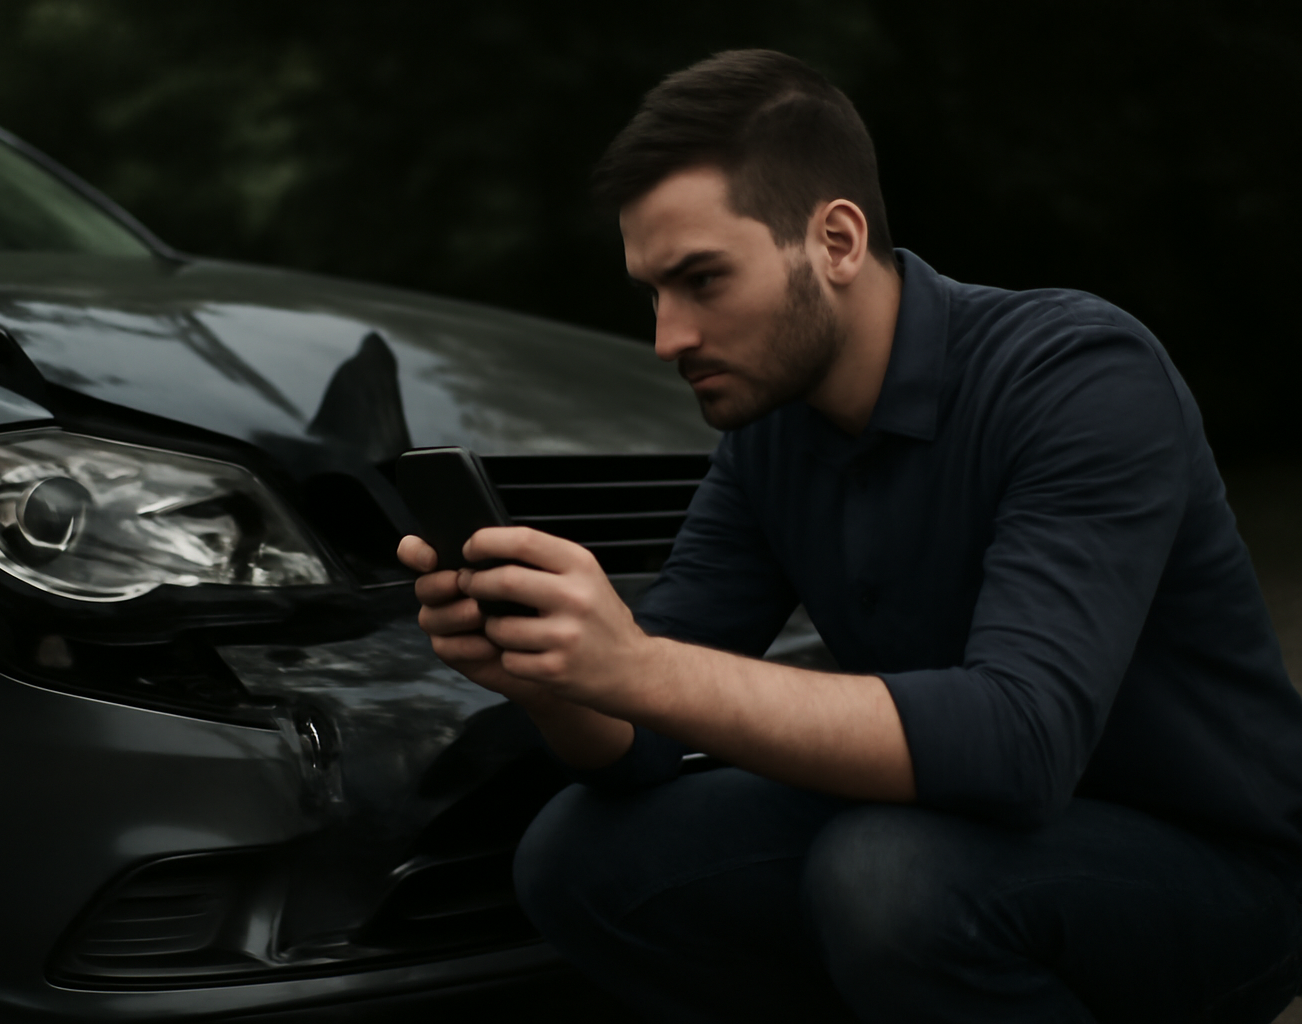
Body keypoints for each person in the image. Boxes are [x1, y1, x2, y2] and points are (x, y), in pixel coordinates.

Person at [396, 49, 1302, 1023]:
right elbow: (643, 745)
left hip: (1220, 873)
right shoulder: (770, 439)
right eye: (653, 293)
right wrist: (560, 678)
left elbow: (1019, 741)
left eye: (702, 280)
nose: (668, 337)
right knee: (581, 855)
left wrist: (639, 667)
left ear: (833, 240)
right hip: (960, 834)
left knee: (887, 874)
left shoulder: (1079, 373)